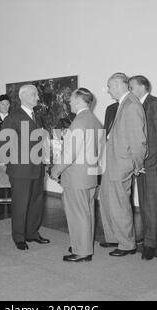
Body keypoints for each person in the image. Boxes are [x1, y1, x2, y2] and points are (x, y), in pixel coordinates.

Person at [50, 88, 102, 262]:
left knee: (77, 214)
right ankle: (84, 246)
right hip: (90, 176)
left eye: (71, 100)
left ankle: (82, 251)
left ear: (79, 100)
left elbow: (69, 155)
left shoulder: (78, 122)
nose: (69, 103)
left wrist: (55, 171)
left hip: (76, 178)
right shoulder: (94, 120)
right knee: (87, 213)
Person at [99, 73, 147, 257]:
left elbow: (138, 140)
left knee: (119, 203)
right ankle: (114, 237)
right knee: (107, 199)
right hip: (113, 162)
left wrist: (136, 163)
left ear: (118, 85)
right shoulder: (123, 104)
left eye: (109, 86)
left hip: (122, 163)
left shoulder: (131, 105)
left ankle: (127, 244)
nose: (108, 90)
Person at [0, 84, 50, 250]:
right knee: (20, 203)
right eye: (34, 95)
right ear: (24, 96)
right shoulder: (12, 118)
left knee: (36, 202)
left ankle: (32, 233)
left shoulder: (38, 117)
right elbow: (4, 146)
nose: (38, 98)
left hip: (37, 168)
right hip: (20, 170)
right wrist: (14, 165)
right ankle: (19, 236)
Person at [129, 75, 157, 260]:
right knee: (145, 203)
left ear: (142, 87)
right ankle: (150, 236)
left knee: (152, 202)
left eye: (131, 87)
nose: (129, 90)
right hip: (142, 163)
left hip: (155, 163)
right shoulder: (138, 105)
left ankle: (150, 244)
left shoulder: (154, 104)